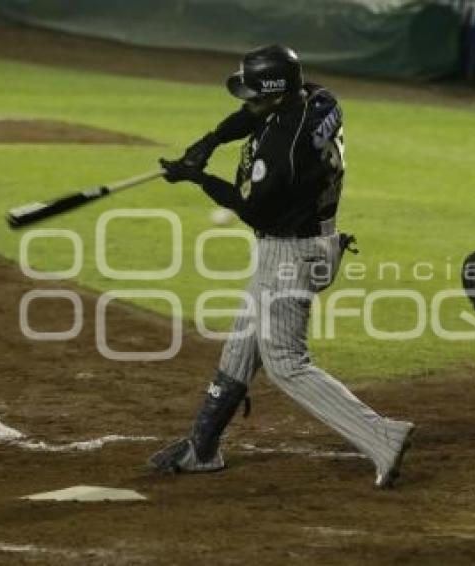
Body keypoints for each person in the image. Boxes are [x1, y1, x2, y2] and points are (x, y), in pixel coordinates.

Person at [148, 45, 415, 488]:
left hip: (292, 254)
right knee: (241, 346)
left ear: (274, 93)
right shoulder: (318, 99)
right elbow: (255, 115)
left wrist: (200, 179)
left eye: (255, 92)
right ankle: (203, 447)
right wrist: (210, 141)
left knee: (286, 363)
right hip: (312, 238)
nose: (247, 100)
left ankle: (381, 435)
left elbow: (255, 212)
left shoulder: (280, 153)